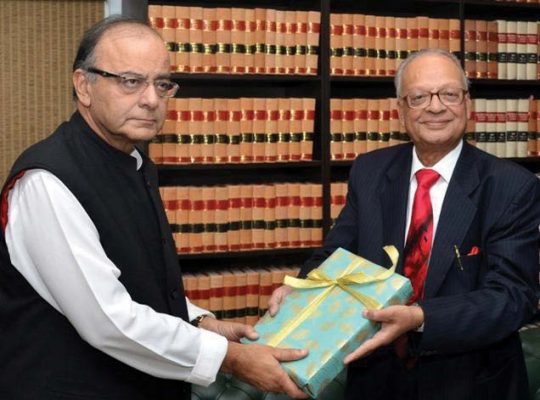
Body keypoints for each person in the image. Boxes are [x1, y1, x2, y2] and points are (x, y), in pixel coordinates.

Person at [0, 15, 308, 400]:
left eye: (162, 84)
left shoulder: (135, 162)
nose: (151, 99)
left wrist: (200, 322)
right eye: (131, 81)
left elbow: (134, 279)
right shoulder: (48, 181)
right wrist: (230, 358)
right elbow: (108, 320)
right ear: (84, 86)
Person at [269, 48, 540, 400]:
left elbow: (512, 298)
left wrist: (420, 316)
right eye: (419, 97)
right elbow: (336, 255)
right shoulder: (370, 171)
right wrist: (303, 289)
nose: (436, 106)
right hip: (376, 377)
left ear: (467, 103)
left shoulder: (511, 186)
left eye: (449, 94)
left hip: (471, 381)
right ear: (400, 110)